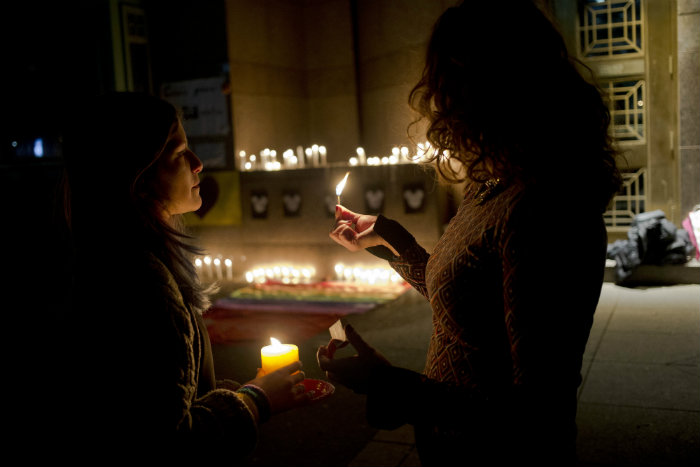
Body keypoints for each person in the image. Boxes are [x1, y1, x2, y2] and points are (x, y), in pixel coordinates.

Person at [319, 1, 622, 466]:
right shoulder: (494, 185)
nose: (436, 102)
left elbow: (537, 415)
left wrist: (392, 384)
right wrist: (393, 239)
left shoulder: (541, 209)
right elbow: (467, 300)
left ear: (487, 88)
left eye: (443, 83)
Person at [43, 92, 310, 461]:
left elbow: (156, 398)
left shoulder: (114, 259)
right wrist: (256, 399)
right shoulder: (141, 285)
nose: (198, 164)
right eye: (178, 153)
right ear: (137, 176)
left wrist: (239, 391)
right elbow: (166, 441)